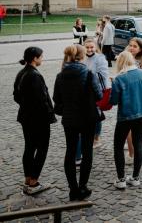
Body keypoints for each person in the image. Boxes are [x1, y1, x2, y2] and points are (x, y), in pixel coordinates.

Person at [53, 44, 102, 201]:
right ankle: (83, 186)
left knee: (70, 151)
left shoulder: (60, 76)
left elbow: (56, 99)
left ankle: (73, 189)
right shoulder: (88, 74)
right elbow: (99, 95)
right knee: (87, 151)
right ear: (81, 57)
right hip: (88, 117)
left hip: (69, 119)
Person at [13, 47, 56, 195]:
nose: (42, 58)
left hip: (26, 117)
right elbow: (42, 100)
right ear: (35, 58)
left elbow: (16, 96)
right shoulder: (34, 75)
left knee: (29, 147)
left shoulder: (22, 72)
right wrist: (50, 115)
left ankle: (27, 179)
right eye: (41, 56)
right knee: (42, 149)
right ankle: (33, 182)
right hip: (38, 119)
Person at [110, 51, 142, 188]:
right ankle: (135, 177)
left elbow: (114, 101)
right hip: (141, 114)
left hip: (125, 116)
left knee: (118, 146)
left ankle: (121, 179)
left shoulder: (119, 79)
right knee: (138, 143)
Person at [82, 38, 110, 149]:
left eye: (91, 47)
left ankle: (97, 138)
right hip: (85, 91)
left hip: (97, 90)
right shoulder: (82, 58)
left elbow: (103, 75)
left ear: (95, 47)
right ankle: (88, 135)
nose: (89, 49)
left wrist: (87, 75)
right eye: (87, 47)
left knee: (97, 115)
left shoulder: (100, 58)